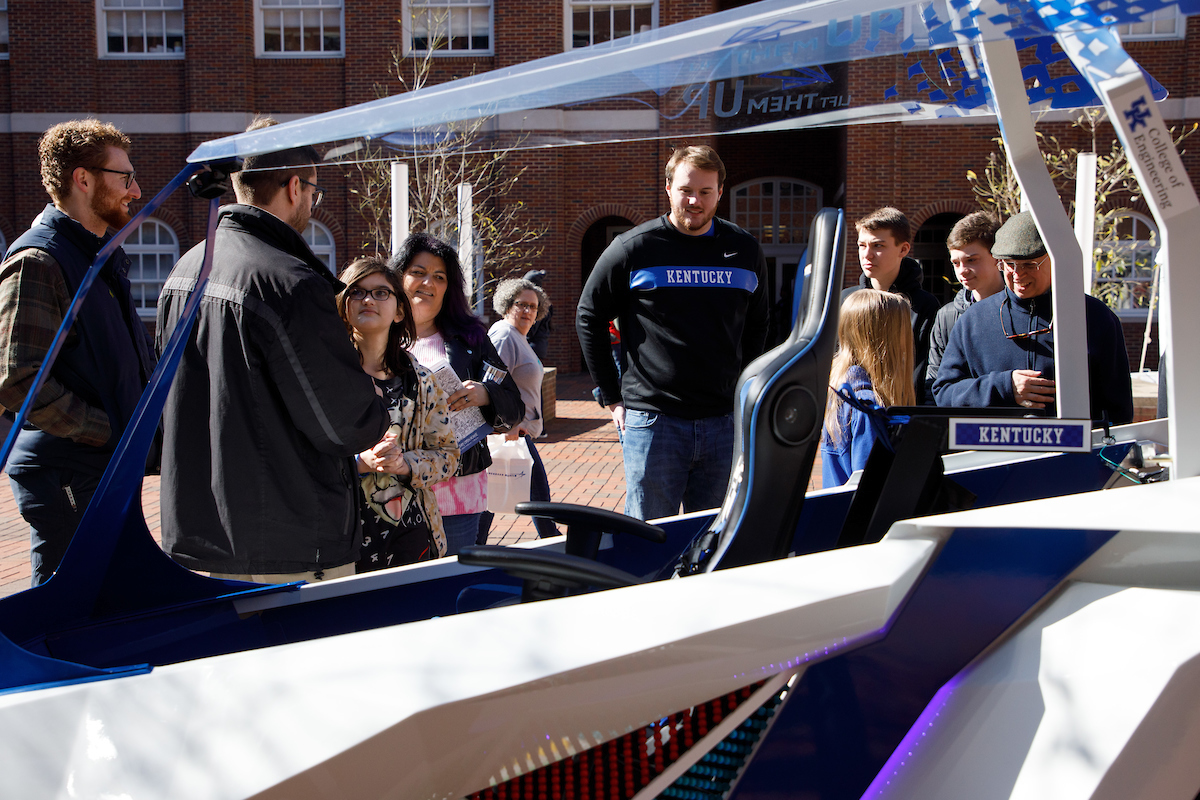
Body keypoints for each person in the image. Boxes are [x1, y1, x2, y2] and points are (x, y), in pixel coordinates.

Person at [157, 117, 390, 582]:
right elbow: (346, 425)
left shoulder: (185, 269)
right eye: (314, 192)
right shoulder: (290, 283)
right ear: (293, 187)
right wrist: (375, 400)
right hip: (288, 543)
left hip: (202, 534)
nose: (312, 204)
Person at [0, 119, 156, 586]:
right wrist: (108, 430)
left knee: (112, 598)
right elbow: (17, 380)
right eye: (125, 177)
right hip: (66, 472)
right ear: (83, 179)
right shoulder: (39, 261)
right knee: (68, 607)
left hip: (98, 468)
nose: (136, 191)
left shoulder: (97, 255)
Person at [577, 145, 770, 521]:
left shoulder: (744, 250)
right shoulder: (634, 248)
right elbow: (589, 315)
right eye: (686, 190)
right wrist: (612, 396)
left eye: (705, 191)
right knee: (649, 536)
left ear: (720, 192)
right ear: (668, 188)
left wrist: (743, 389)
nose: (695, 201)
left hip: (723, 423)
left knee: (713, 536)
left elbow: (759, 324)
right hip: (654, 423)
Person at [932, 211, 1135, 424]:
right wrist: (1004, 387)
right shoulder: (973, 320)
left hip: (1071, 444)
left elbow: (1118, 412)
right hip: (991, 445)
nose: (1018, 274)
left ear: (1054, 259)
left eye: (1029, 264)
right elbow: (944, 393)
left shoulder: (1094, 317)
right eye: (1009, 264)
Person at [391, 232, 523, 555]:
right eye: (418, 272)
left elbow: (515, 406)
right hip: (393, 490)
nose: (428, 283)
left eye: (440, 277)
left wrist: (486, 394)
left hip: (457, 493)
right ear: (399, 277)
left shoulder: (470, 339)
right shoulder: (377, 335)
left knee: (449, 581)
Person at [337, 256, 460, 569]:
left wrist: (406, 464)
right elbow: (297, 460)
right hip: (342, 540)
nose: (368, 300)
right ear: (343, 305)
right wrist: (358, 463)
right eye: (357, 292)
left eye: (381, 292)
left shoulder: (421, 382)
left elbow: (448, 456)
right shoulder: (322, 378)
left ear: (399, 311)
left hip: (411, 537)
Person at [483, 277, 558, 540]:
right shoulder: (505, 335)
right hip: (513, 433)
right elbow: (490, 383)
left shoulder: (518, 337)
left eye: (533, 306)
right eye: (521, 304)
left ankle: (473, 544)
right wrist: (507, 424)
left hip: (520, 432)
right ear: (507, 305)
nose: (527, 311)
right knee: (538, 499)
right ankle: (554, 544)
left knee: (491, 499)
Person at [843, 207, 942, 404]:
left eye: (878, 246)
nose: (867, 254)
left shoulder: (924, 306)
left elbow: (924, 373)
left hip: (902, 412)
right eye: (862, 245)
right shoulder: (846, 300)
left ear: (903, 249)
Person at [821, 290, 915, 487]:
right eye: (904, 330)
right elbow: (870, 489)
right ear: (886, 339)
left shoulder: (841, 391)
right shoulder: (867, 409)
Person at [924, 212, 1004, 400]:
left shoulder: (1020, 310)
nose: (962, 271)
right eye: (956, 263)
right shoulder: (947, 316)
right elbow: (935, 385)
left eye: (971, 260)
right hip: (960, 416)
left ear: (996, 257)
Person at [522, 269, 553, 363]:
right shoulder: (545, 304)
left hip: (533, 347)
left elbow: (531, 330)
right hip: (539, 345)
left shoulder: (538, 306)